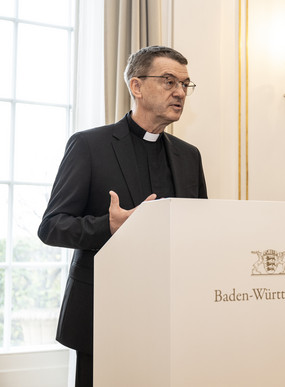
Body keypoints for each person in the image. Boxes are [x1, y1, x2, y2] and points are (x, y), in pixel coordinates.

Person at [38, 46, 207, 387]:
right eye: (169, 81)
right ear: (137, 86)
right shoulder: (89, 146)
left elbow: (201, 227)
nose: (180, 92)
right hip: (103, 316)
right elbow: (52, 226)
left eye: (186, 84)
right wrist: (109, 225)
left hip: (171, 316)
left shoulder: (190, 156)